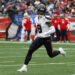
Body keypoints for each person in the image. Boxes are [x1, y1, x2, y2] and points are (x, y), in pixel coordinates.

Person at [17, 4, 66, 72]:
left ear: (44, 12)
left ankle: (60, 51)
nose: (41, 13)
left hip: (47, 39)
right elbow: (39, 29)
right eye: (40, 11)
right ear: (38, 11)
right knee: (30, 50)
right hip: (39, 38)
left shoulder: (46, 18)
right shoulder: (36, 18)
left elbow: (53, 29)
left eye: (42, 12)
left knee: (51, 55)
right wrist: (37, 35)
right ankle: (24, 67)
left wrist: (45, 34)